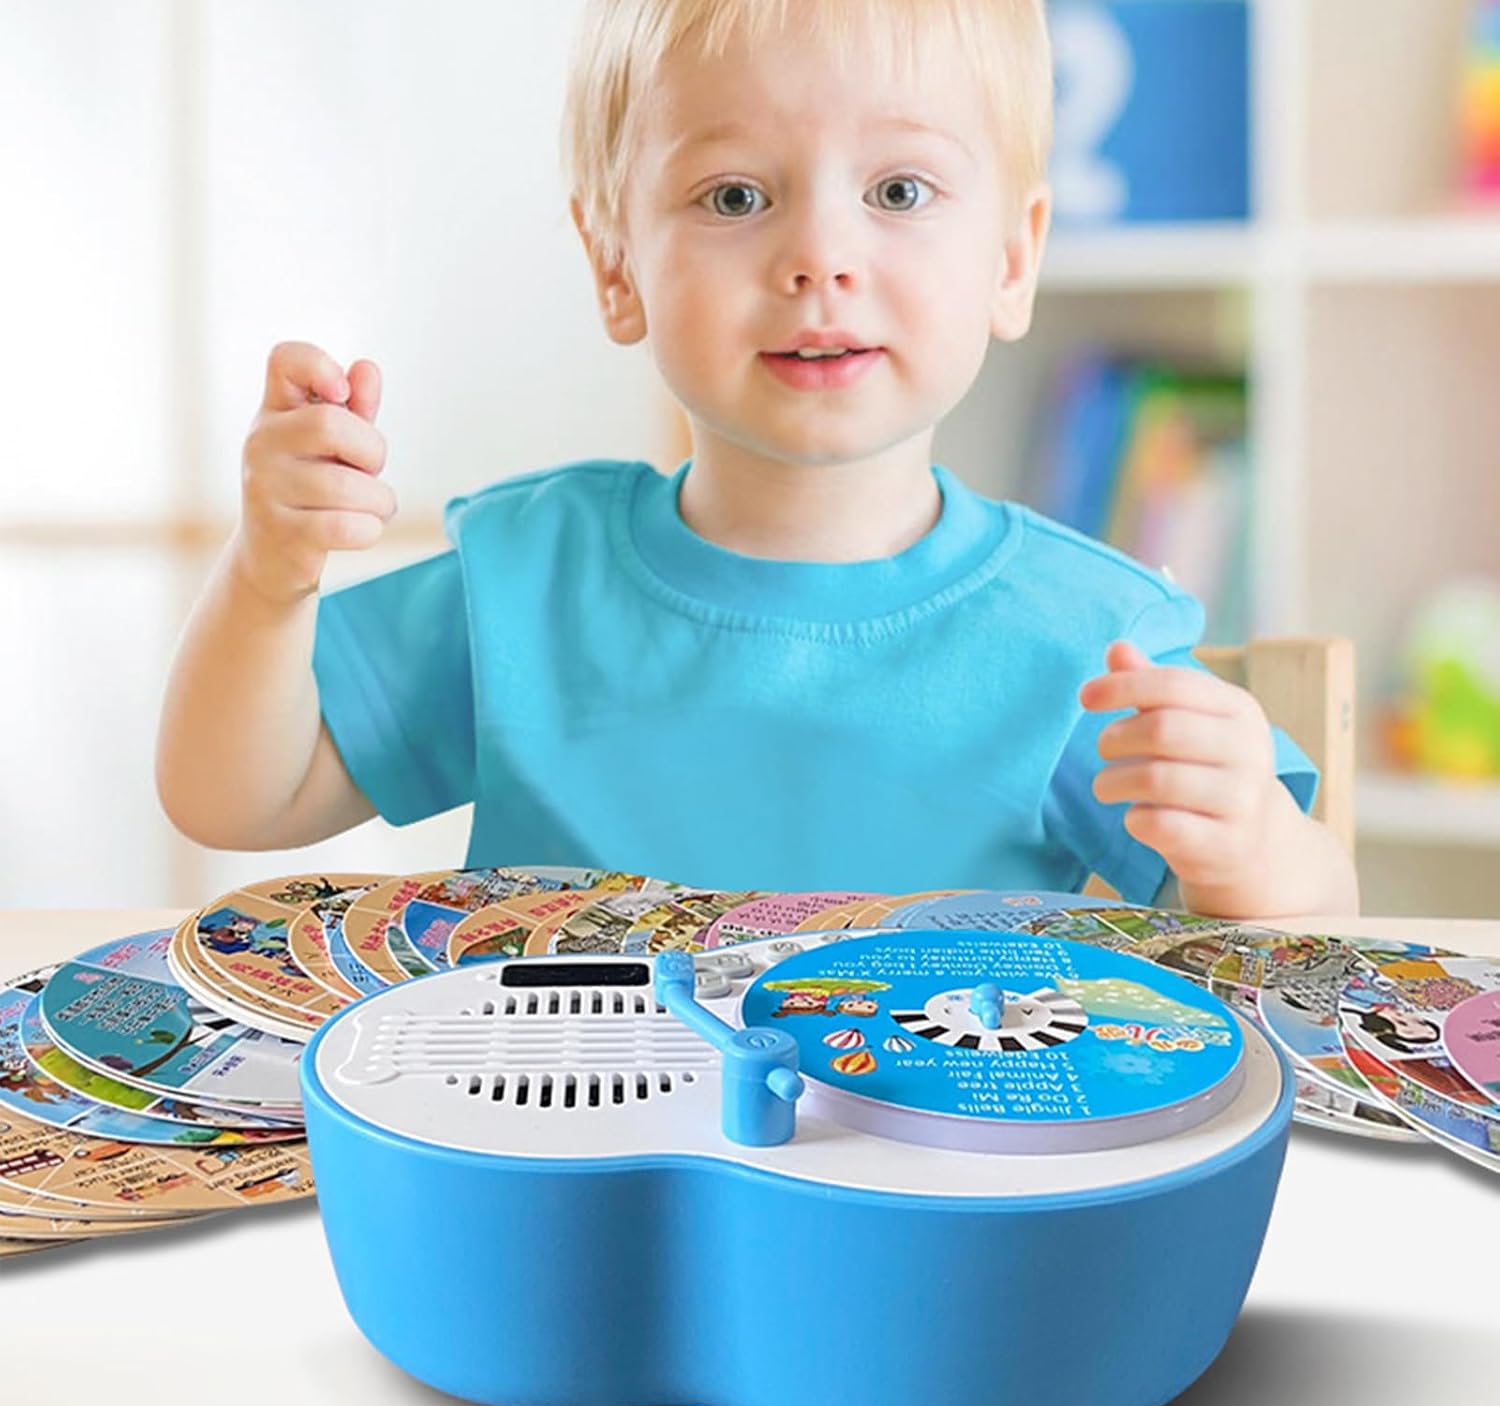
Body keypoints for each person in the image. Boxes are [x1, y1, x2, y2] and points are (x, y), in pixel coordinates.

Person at [156, 0, 1360, 920]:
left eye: (899, 189)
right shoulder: (524, 579)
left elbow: (1313, 930)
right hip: (568, 1146)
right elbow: (236, 797)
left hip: (923, 1160)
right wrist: (270, 577)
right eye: (735, 197)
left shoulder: (1080, 639)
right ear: (617, 265)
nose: (820, 255)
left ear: (1011, 258)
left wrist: (1252, 842)